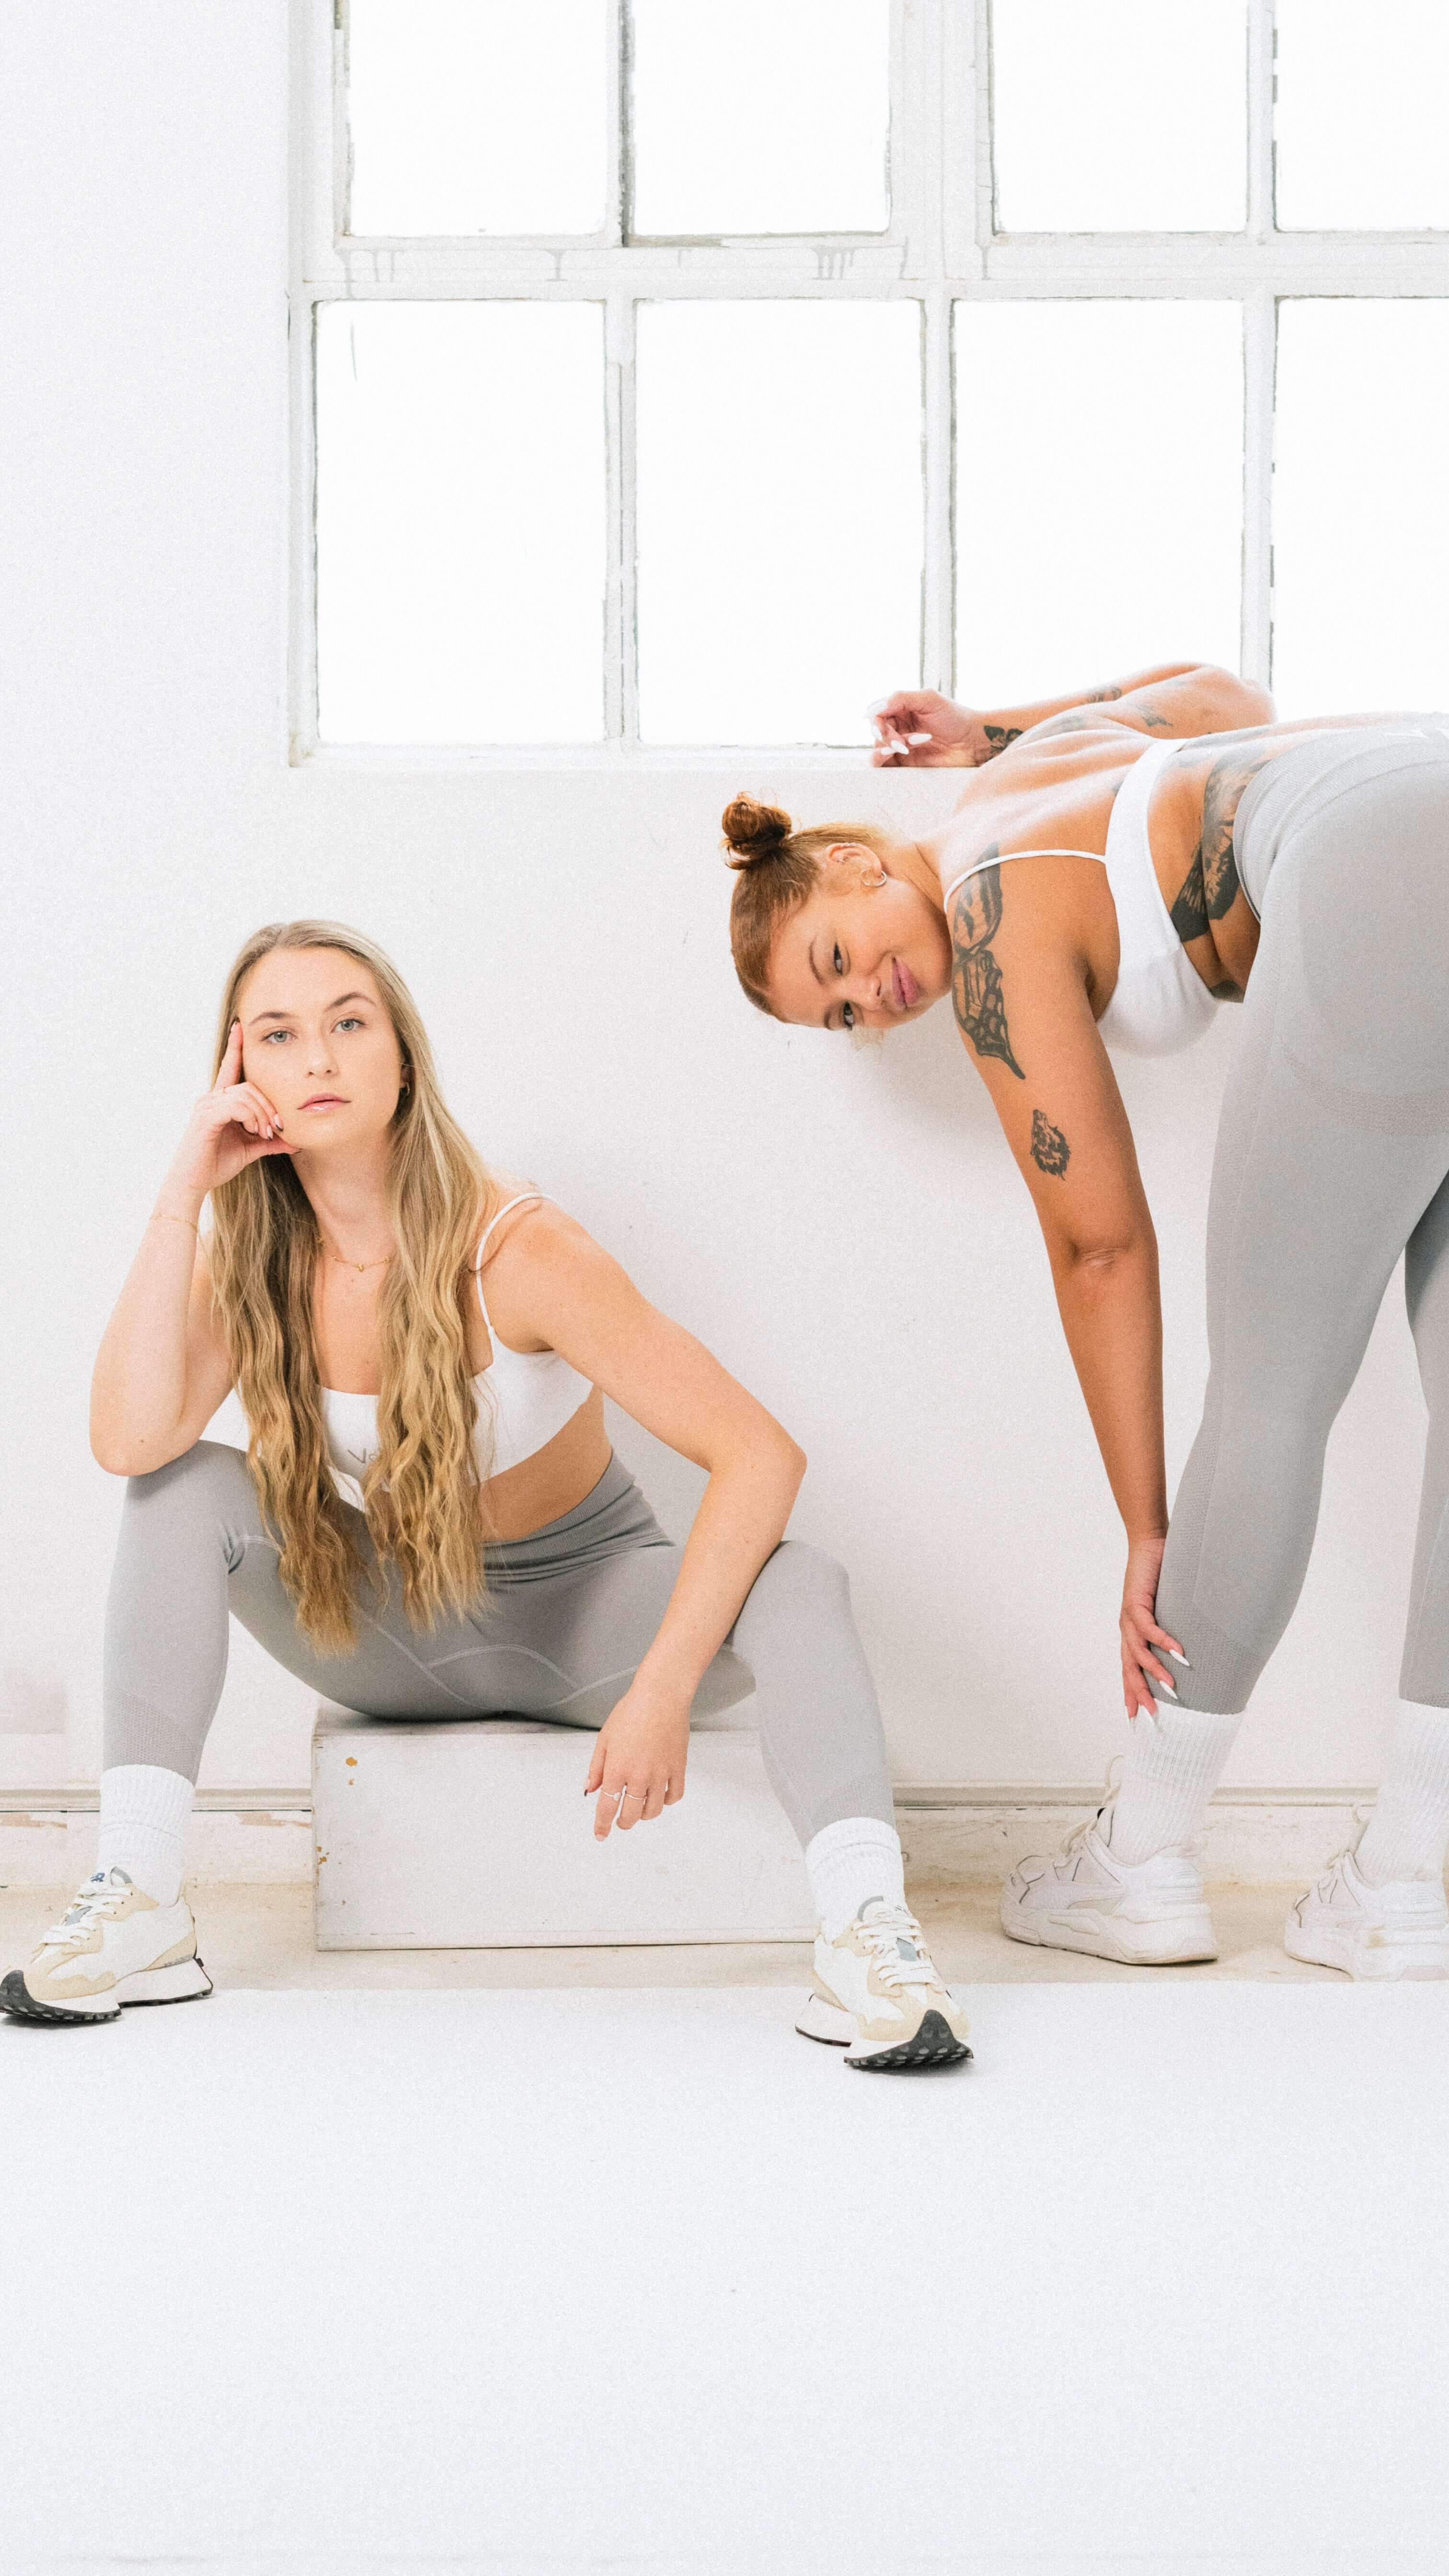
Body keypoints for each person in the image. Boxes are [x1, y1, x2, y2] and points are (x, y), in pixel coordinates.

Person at [2, 919, 969, 2069]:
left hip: (586, 1618)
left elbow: (761, 1455)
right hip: (383, 1630)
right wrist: (182, 1191)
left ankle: (868, 1933)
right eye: (279, 1035)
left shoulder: (519, 1249)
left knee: (803, 1581)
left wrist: (660, 1694)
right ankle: (142, 1900)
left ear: (401, 1056)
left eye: (348, 1024)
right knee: (181, 1488)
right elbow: (127, 1441)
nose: (317, 1059)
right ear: (240, 1075)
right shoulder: (251, 1261)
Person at [719, 663, 1449, 1981]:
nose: (870, 997)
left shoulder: (992, 921)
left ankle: (1146, 1859)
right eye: (837, 1014)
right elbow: (1224, 694)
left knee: (1276, 1381)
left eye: (837, 954)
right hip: (1422, 764)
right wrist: (982, 727)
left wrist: (1146, 1524)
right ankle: (1413, 1867)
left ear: (851, 859)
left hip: (1374, 857)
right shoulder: (1042, 760)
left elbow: (1099, 1246)